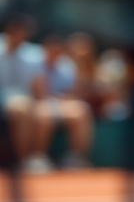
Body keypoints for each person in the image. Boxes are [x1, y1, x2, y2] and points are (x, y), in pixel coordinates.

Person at [27, 35, 94, 170]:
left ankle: (75, 158)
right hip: (38, 102)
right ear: (45, 49)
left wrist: (81, 60)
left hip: (59, 104)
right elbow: (39, 94)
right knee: (44, 114)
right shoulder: (34, 63)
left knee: (81, 110)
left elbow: (73, 92)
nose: (54, 53)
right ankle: (38, 157)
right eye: (51, 50)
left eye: (57, 50)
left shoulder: (67, 65)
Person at [0, 15, 44, 169]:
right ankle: (23, 161)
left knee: (37, 110)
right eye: (17, 30)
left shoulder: (34, 54)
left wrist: (40, 104)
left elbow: (38, 87)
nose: (21, 34)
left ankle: (31, 158)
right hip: (7, 100)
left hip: (25, 101)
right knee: (24, 107)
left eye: (24, 31)